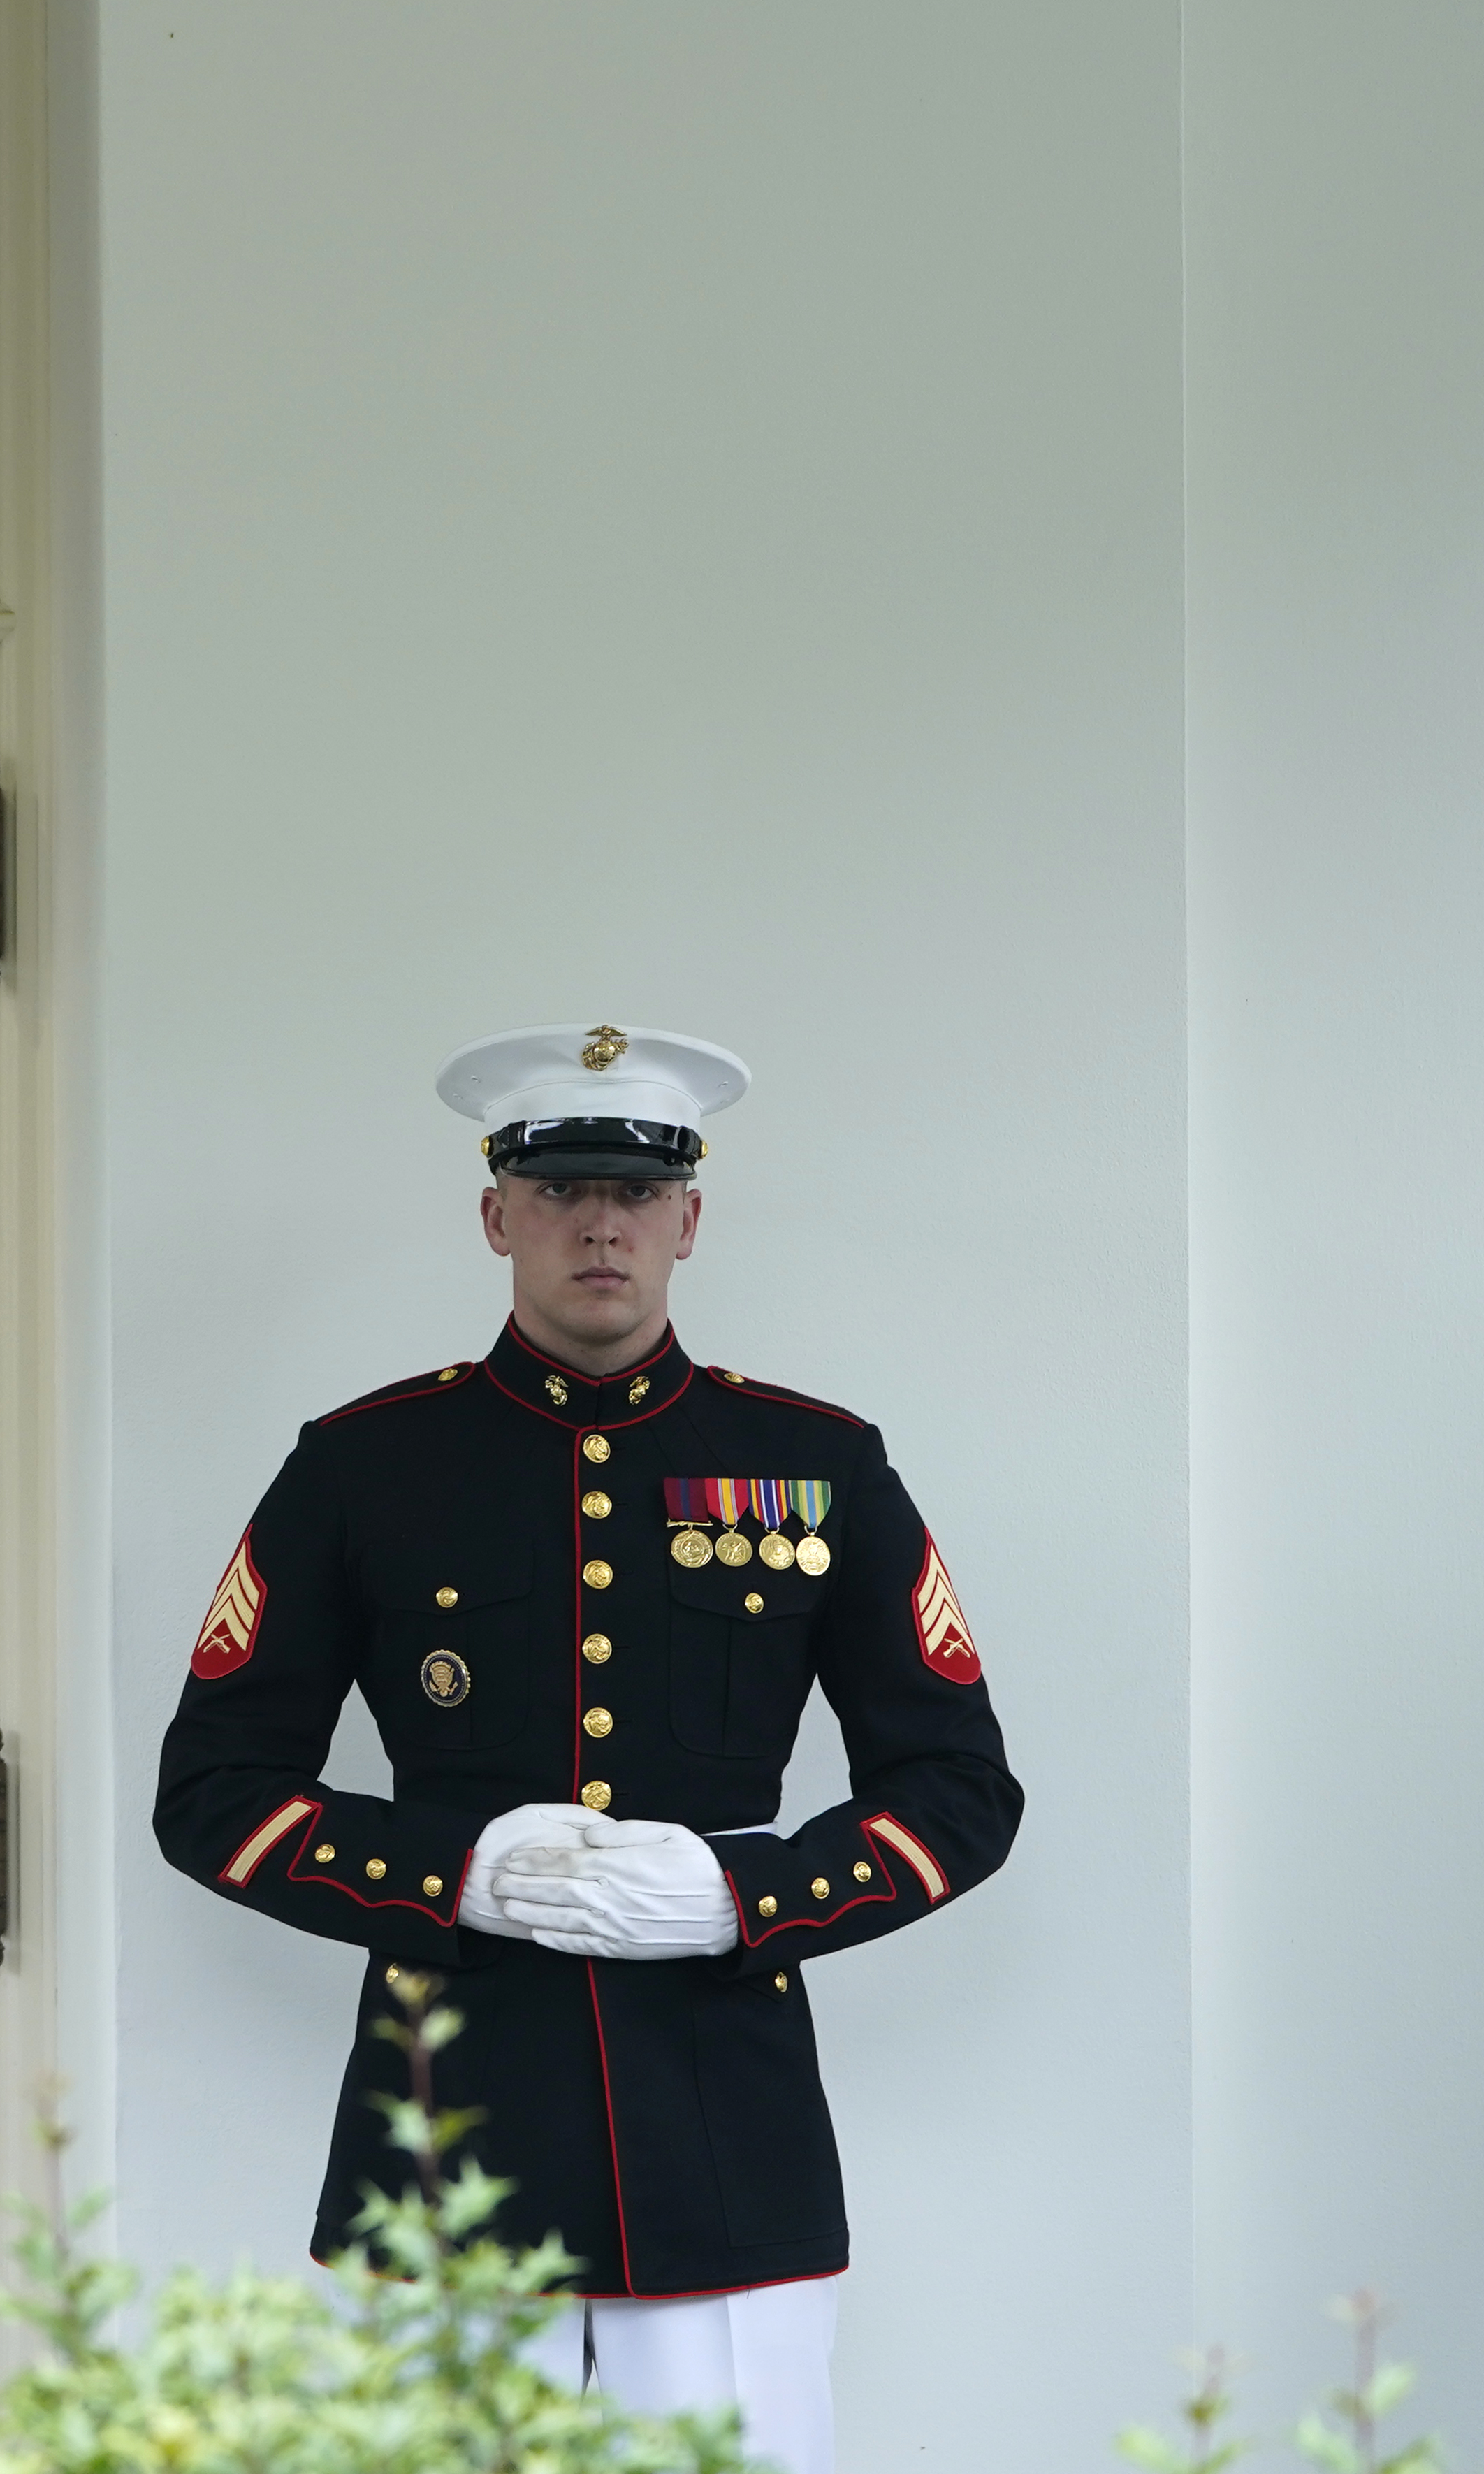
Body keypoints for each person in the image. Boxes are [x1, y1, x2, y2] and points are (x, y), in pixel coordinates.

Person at [151, 1023, 1021, 2474]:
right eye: (559, 1192)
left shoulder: (816, 1466)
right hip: (445, 2141)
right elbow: (211, 1793)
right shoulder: (360, 1469)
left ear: (689, 1218)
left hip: (723, 2133)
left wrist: (748, 1896)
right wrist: (451, 1876)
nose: (598, 1223)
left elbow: (959, 1791)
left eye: (633, 1190)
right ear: (495, 1215)